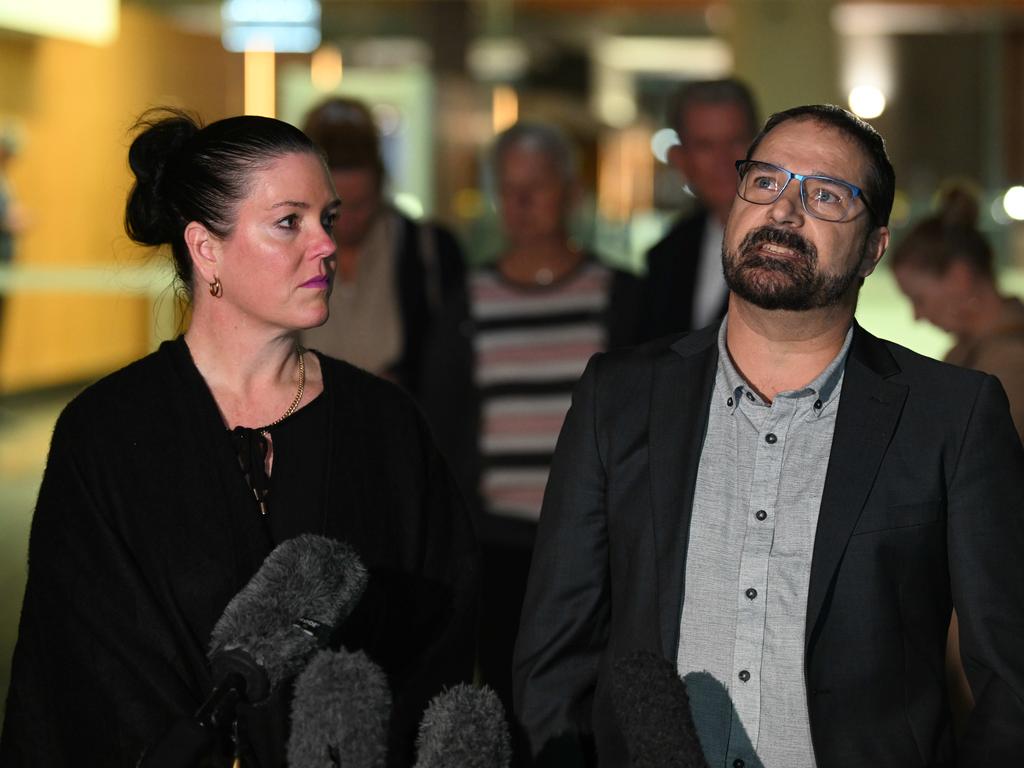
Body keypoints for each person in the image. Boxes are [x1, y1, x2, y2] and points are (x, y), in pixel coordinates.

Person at [513, 105, 1024, 767]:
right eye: (764, 182)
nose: (784, 212)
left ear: (873, 248)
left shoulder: (951, 415)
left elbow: (1010, 678)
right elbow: (556, 652)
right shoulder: (620, 395)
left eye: (826, 195)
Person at [0, 109, 479, 767]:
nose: (326, 245)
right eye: (290, 222)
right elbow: (81, 679)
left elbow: (444, 642)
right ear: (206, 248)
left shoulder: (387, 426)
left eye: (328, 219)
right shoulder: (106, 434)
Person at [470, 121, 631, 719]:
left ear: (571, 192)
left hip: (597, 549)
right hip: (499, 547)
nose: (521, 203)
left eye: (536, 186)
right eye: (508, 188)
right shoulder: (467, 300)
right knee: (509, 711)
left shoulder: (619, 295)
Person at [300, 97, 476, 502]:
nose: (349, 223)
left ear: (381, 187)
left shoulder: (427, 250)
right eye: (333, 211)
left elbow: (453, 372)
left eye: (361, 206)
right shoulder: (283, 255)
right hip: (309, 459)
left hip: (397, 461)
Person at [616, 78, 759, 345]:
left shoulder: (791, 241)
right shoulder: (666, 253)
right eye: (705, 145)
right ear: (681, 159)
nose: (723, 160)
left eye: (735, 141)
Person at [892, 186, 1024, 441]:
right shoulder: (969, 352)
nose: (917, 316)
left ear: (959, 278)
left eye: (919, 299)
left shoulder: (1010, 362)